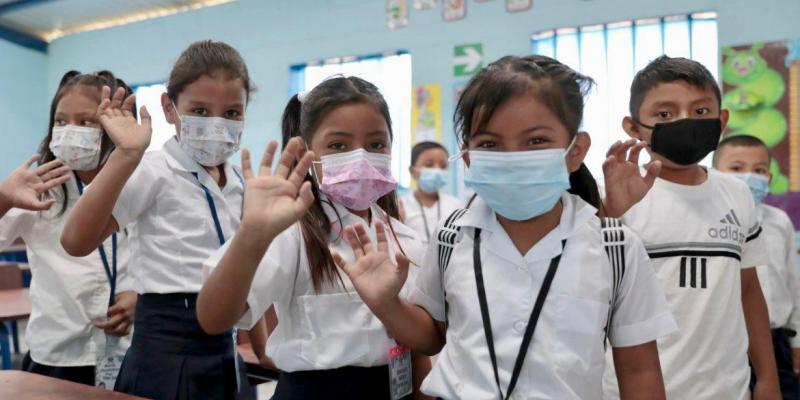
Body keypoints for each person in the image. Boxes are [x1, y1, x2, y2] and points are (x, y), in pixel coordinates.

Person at [335, 55, 676, 399]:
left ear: (576, 151)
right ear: (469, 157)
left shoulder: (614, 246)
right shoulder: (452, 235)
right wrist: (387, 304)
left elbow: (639, 368)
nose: (512, 157)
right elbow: (432, 335)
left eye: (535, 141)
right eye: (489, 144)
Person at [197, 76, 432, 399]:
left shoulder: (405, 237)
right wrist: (252, 236)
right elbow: (214, 318)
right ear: (308, 152)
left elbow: (420, 349)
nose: (361, 157)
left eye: (376, 144)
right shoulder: (292, 234)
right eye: (338, 146)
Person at [60, 41, 254, 399]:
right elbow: (75, 240)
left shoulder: (242, 181)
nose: (216, 124)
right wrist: (126, 154)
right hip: (166, 351)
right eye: (199, 109)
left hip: (224, 350)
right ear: (169, 107)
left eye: (231, 113)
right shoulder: (152, 170)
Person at [602, 55, 780, 400]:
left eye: (700, 112)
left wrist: (767, 378)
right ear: (633, 127)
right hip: (634, 389)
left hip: (728, 389)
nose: (685, 122)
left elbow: (749, 292)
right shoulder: (614, 196)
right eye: (664, 114)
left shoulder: (737, 194)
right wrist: (607, 213)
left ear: (722, 119)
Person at [0, 71, 136, 387]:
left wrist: (139, 298)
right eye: (61, 122)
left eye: (86, 122)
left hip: (128, 352)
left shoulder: (139, 185)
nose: (70, 131)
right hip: (57, 355)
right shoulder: (38, 189)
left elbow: (162, 257)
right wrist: (4, 197)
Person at [714, 134, 800, 399]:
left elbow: (793, 283)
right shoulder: (707, 222)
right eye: (737, 168)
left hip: (777, 342)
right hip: (725, 342)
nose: (750, 177)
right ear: (715, 174)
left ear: (769, 179)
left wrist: (797, 341)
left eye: (759, 170)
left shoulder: (779, 221)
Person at [399, 141, 460, 246]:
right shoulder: (400, 206)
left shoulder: (456, 206)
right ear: (412, 171)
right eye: (429, 165)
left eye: (443, 165)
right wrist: (398, 223)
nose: (437, 170)